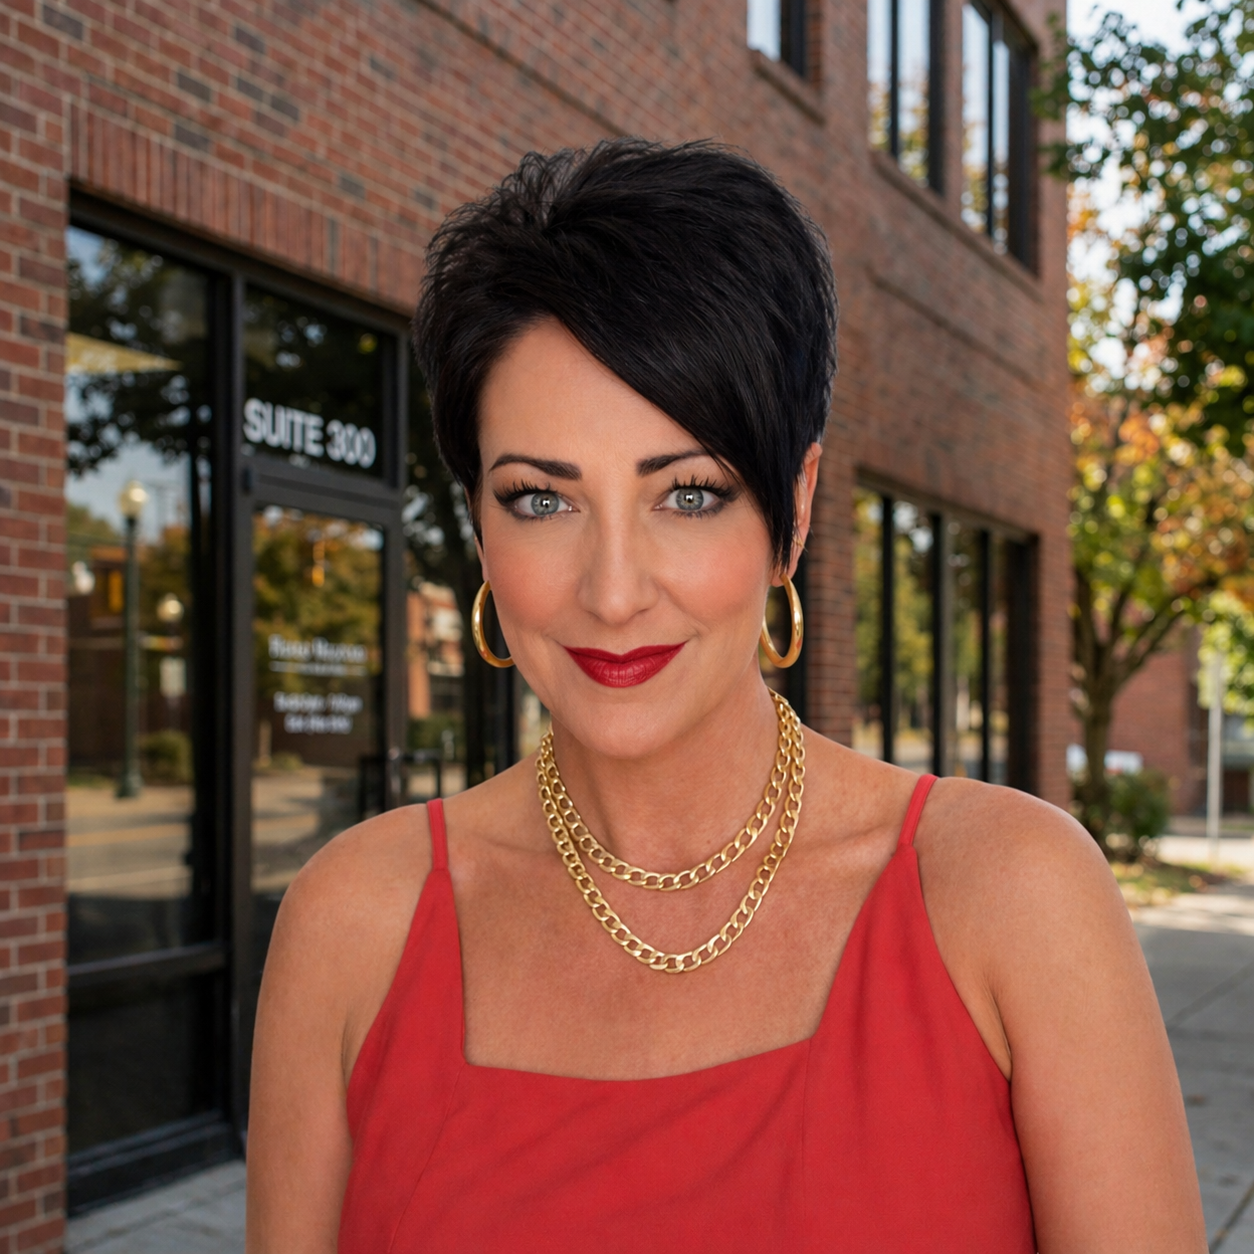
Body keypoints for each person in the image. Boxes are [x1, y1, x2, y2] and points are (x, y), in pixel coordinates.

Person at [246, 139, 1206, 1253]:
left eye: (689, 493)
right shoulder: (351, 925)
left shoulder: (1012, 899)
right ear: (477, 525)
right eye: (540, 501)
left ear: (791, 513)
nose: (611, 592)